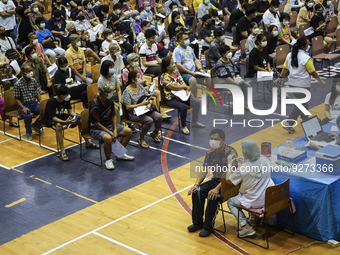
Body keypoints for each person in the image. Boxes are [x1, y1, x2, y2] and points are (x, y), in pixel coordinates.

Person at [187, 129, 237, 237]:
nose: (213, 141)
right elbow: (204, 169)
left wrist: (217, 189)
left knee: (212, 197)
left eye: (216, 139)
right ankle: (197, 223)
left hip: (228, 185)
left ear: (222, 140)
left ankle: (208, 227)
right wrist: (196, 184)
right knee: (198, 191)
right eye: (211, 139)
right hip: (215, 181)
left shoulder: (231, 153)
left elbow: (229, 175)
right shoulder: (210, 152)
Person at [275, 38, 327, 134]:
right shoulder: (306, 58)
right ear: (303, 47)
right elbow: (312, 72)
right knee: (300, 103)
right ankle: (289, 123)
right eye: (307, 44)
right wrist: (321, 81)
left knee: (302, 101)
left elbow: (285, 68)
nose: (309, 46)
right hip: (302, 84)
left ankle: (305, 118)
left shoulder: (290, 55)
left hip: (292, 83)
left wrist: (280, 77)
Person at [226, 140, 275, 237]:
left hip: (254, 202)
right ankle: (254, 219)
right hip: (269, 199)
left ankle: (246, 227)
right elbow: (256, 167)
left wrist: (229, 164)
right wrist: (245, 160)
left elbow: (228, 180)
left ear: (245, 153)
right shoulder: (266, 159)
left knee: (230, 202)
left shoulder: (242, 169)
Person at [43, 86, 98, 161]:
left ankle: (87, 142)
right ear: (61, 96)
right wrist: (65, 122)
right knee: (58, 126)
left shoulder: (66, 99)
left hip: (61, 116)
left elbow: (70, 111)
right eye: (67, 94)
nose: (69, 96)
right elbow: (54, 118)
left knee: (80, 120)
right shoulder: (51, 102)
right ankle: (62, 151)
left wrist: (76, 116)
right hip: (50, 120)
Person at [89, 83, 134, 170]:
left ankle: (119, 154)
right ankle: (108, 160)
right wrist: (110, 132)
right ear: (102, 94)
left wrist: (115, 131)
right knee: (108, 138)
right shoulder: (94, 105)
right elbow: (97, 124)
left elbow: (113, 116)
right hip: (96, 129)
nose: (110, 93)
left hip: (109, 125)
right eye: (108, 92)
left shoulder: (110, 101)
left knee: (128, 131)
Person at [160, 57, 204, 134]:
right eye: (172, 64)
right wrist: (185, 87)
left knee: (196, 102)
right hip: (171, 99)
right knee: (183, 107)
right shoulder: (164, 76)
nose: (174, 65)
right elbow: (172, 87)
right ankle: (184, 126)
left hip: (182, 95)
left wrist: (186, 89)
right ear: (167, 67)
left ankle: (194, 121)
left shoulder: (176, 73)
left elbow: (182, 82)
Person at [121, 70, 163, 149]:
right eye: (138, 77)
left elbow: (148, 96)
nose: (140, 78)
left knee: (159, 117)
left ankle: (155, 132)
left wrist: (150, 103)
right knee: (149, 120)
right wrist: (141, 104)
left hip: (145, 110)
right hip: (133, 113)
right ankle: (141, 138)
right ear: (133, 80)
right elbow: (128, 107)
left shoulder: (139, 86)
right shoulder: (127, 91)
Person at [123, 53, 172, 119]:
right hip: (134, 90)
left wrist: (148, 83)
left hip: (142, 88)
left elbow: (143, 78)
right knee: (150, 96)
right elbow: (129, 84)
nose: (137, 62)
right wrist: (144, 82)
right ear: (130, 62)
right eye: (135, 61)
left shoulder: (137, 68)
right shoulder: (125, 71)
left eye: (137, 60)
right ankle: (157, 112)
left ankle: (161, 111)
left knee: (157, 93)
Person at [173, 32, 208, 98]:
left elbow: (195, 60)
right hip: (184, 73)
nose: (188, 40)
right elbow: (178, 65)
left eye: (188, 38)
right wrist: (190, 72)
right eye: (185, 39)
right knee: (192, 80)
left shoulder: (189, 48)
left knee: (209, 73)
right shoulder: (177, 51)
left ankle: (208, 93)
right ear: (180, 40)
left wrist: (200, 69)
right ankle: (194, 97)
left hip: (194, 70)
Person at [14, 63, 43, 141]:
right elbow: (16, 98)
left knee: (46, 110)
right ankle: (28, 132)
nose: (31, 72)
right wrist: (23, 108)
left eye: (31, 70)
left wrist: (41, 102)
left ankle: (36, 126)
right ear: (24, 73)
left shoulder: (33, 80)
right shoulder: (18, 84)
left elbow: (37, 92)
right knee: (27, 115)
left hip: (33, 103)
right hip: (23, 105)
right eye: (29, 71)